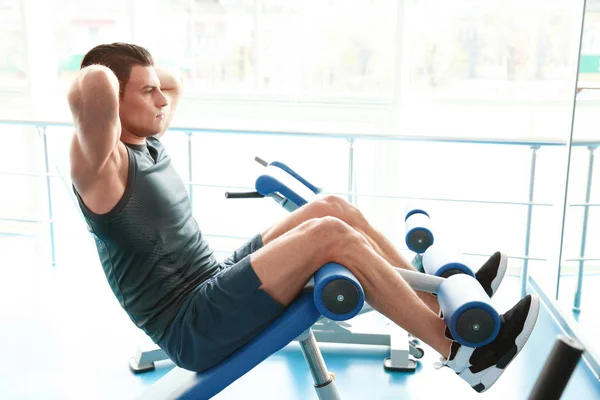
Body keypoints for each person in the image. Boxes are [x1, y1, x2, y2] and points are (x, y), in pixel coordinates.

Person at [67, 42, 540, 393]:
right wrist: (106, 69)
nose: (162, 100)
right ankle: (466, 354)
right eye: (147, 92)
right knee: (329, 235)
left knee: (332, 209)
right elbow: (94, 86)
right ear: (114, 105)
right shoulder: (100, 168)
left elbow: (171, 83)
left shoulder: (145, 137)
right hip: (192, 324)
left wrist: (139, 74)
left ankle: (439, 304)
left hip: (213, 278)